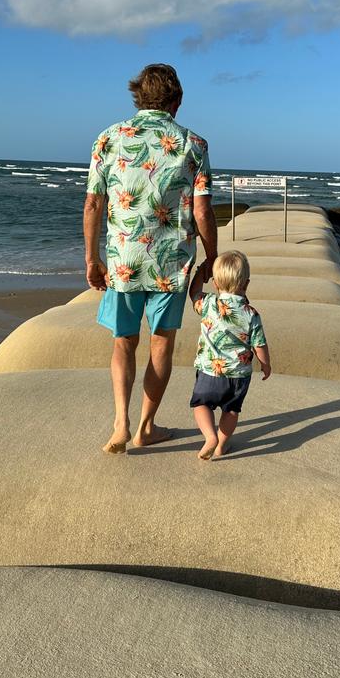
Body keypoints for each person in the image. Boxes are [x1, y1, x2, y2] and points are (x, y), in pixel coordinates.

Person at [83, 63, 218, 454]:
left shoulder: (109, 138)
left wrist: (92, 258)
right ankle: (145, 427)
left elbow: (93, 203)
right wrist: (211, 257)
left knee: (123, 342)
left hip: (123, 260)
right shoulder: (194, 144)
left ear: (137, 97)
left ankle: (120, 423)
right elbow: (202, 211)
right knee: (161, 344)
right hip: (171, 264)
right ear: (177, 101)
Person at [188, 250, 271, 461]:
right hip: (238, 375)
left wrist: (200, 272)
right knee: (231, 411)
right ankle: (221, 445)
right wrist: (265, 365)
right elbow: (259, 344)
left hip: (209, 371)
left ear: (215, 284)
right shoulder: (251, 314)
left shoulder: (208, 304)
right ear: (246, 284)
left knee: (201, 405)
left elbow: (194, 293)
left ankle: (210, 437)